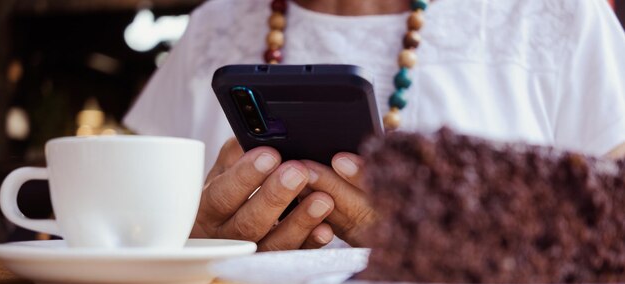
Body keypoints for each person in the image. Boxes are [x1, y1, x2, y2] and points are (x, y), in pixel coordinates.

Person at [124, 0, 625, 251]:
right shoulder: (215, 23)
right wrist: (186, 240)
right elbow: (122, 226)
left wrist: (448, 248)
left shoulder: (556, 14)